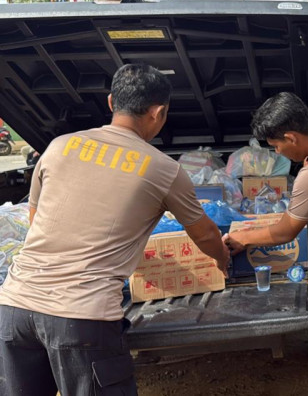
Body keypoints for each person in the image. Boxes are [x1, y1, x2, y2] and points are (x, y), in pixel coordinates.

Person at [0, 64, 230, 395]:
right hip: (81, 319)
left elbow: (36, 218)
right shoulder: (163, 169)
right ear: (158, 112)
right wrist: (221, 259)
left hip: (14, 309)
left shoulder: (59, 146)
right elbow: (205, 234)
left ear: (111, 103)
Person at [223, 91, 308, 395]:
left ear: (291, 136)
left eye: (277, 146)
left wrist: (242, 238)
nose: (279, 154)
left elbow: (284, 231)